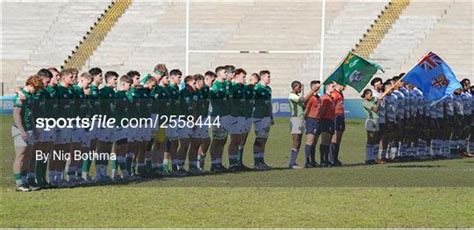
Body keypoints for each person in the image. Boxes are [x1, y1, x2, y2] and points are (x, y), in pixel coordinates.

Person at [12, 75, 44, 191]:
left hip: (30, 128)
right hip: (20, 129)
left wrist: (34, 128)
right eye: (35, 88)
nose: (36, 91)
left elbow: (30, 114)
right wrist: (21, 130)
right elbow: (16, 114)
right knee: (20, 156)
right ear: (30, 85)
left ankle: (25, 181)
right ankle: (19, 183)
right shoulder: (20, 97)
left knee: (29, 156)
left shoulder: (30, 95)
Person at [288, 80, 317, 169]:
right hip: (295, 119)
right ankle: (292, 163)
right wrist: (312, 91)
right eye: (299, 87)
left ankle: (293, 162)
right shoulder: (292, 95)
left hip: (300, 120)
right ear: (295, 87)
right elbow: (304, 99)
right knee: (296, 141)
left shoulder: (296, 96)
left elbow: (303, 105)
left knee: (299, 141)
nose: (300, 89)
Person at [95, 71, 118, 182]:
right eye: (114, 79)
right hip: (104, 122)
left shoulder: (113, 92)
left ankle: (104, 171)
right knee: (102, 147)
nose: (116, 81)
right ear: (108, 80)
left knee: (109, 147)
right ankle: (98, 172)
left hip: (112, 122)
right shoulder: (103, 92)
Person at [209, 66, 230, 173]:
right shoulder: (215, 85)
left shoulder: (226, 84)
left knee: (223, 139)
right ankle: (213, 164)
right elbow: (214, 101)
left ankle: (219, 162)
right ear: (218, 74)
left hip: (226, 115)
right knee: (216, 139)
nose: (227, 73)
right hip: (218, 115)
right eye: (224, 72)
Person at [237, 72, 259, 170]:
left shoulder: (253, 90)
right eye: (254, 82)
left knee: (244, 140)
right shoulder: (244, 89)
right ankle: (236, 162)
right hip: (242, 117)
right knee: (239, 139)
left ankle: (240, 161)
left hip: (249, 116)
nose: (255, 84)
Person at [252, 70, 273, 170]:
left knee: (264, 138)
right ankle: (257, 162)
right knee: (259, 138)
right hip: (258, 116)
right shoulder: (257, 88)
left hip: (266, 116)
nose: (269, 78)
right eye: (268, 76)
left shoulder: (269, 89)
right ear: (262, 77)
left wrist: (271, 116)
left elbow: (269, 103)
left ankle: (261, 160)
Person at [227, 68, 247, 171]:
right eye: (243, 77)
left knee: (239, 140)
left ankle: (236, 162)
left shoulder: (243, 87)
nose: (244, 79)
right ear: (237, 76)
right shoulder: (233, 87)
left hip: (242, 116)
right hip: (234, 116)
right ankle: (232, 163)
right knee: (234, 140)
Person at [197, 71, 215, 169]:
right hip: (198, 118)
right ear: (206, 78)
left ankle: (200, 162)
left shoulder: (207, 89)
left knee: (206, 140)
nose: (213, 82)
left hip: (204, 117)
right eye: (212, 80)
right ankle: (197, 163)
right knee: (200, 140)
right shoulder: (200, 89)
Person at [303, 80, 321, 167]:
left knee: (314, 141)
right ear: (312, 87)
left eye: (319, 87)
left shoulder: (318, 98)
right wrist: (306, 120)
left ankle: (313, 161)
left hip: (317, 121)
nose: (318, 88)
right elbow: (306, 110)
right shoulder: (311, 98)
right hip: (311, 120)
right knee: (310, 140)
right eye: (317, 87)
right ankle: (307, 161)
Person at [318, 82, 336, 167]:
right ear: (327, 87)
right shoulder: (325, 98)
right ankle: (323, 160)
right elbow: (322, 110)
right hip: (325, 120)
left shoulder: (331, 98)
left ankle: (327, 159)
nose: (334, 88)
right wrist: (320, 119)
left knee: (328, 142)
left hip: (331, 120)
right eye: (332, 86)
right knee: (324, 141)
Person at [361, 89, 381, 164]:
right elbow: (375, 109)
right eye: (370, 94)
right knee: (370, 140)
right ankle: (368, 158)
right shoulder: (365, 102)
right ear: (366, 95)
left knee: (374, 140)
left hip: (376, 120)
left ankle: (372, 158)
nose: (371, 96)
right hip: (371, 121)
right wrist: (379, 101)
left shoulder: (372, 100)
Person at [330, 82, 345, 166]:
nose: (345, 86)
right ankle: (331, 158)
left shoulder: (340, 93)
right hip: (335, 116)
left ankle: (335, 158)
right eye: (343, 84)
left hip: (341, 116)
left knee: (338, 138)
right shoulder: (334, 94)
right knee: (334, 138)